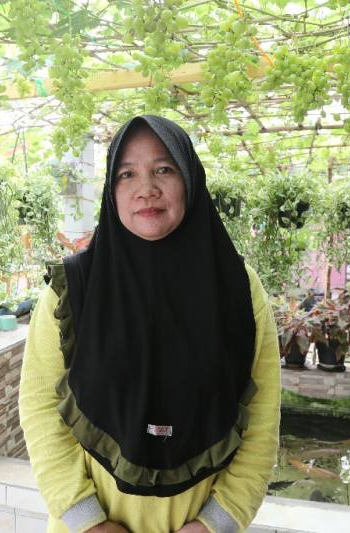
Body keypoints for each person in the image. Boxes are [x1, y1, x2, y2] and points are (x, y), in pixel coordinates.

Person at [19, 115, 281, 533]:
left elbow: (263, 417)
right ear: (111, 190)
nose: (146, 189)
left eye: (164, 169)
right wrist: (86, 519)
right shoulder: (73, 289)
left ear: (190, 179)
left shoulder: (238, 288)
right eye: (127, 174)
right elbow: (40, 407)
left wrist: (217, 521)